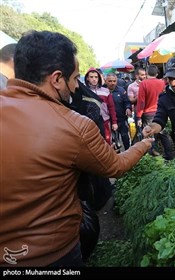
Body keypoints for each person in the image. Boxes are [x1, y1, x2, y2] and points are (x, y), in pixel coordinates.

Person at [0, 30, 153, 267]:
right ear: (57, 79)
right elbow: (116, 166)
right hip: (50, 255)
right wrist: (144, 143)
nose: (75, 88)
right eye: (75, 79)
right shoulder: (73, 124)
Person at [136, 65, 165, 156]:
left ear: (147, 73)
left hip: (148, 113)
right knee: (162, 132)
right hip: (161, 111)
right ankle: (168, 153)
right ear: (157, 73)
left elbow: (141, 101)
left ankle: (150, 153)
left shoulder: (144, 83)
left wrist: (139, 116)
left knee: (148, 133)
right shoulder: (162, 83)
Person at [84, 67, 118, 145]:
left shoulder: (105, 91)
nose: (94, 79)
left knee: (107, 142)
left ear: (99, 78)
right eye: (91, 77)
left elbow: (111, 107)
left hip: (105, 121)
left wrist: (114, 122)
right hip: (89, 123)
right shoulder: (84, 91)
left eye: (96, 77)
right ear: (87, 78)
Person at [106, 72, 132, 150]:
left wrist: (128, 108)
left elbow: (127, 102)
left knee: (125, 138)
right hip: (109, 121)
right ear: (106, 81)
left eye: (114, 81)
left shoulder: (121, 90)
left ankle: (128, 154)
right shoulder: (103, 91)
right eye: (110, 81)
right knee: (113, 141)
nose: (112, 83)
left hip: (122, 119)